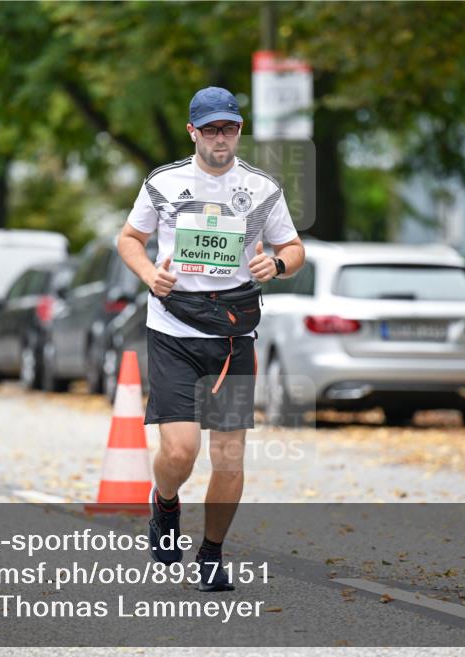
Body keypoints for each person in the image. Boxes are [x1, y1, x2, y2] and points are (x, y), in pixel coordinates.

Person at [117, 86, 305, 592]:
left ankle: (211, 554)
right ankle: (165, 503)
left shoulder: (262, 188)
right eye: (212, 129)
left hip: (232, 334)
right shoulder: (164, 182)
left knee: (228, 457)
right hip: (174, 328)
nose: (221, 137)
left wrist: (278, 263)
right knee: (180, 452)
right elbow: (129, 240)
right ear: (193, 132)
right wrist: (147, 275)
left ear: (240, 130)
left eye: (230, 128)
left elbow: (293, 246)